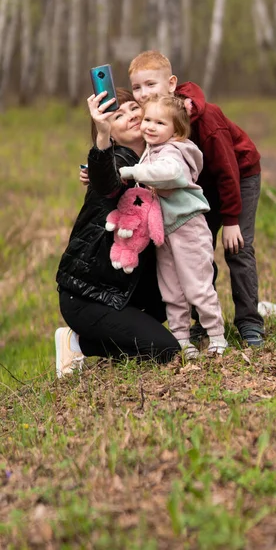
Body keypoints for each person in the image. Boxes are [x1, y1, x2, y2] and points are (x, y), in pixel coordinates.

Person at [128, 51, 265, 347]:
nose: (143, 94)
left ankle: (249, 322)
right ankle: (204, 323)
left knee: (237, 247)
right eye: (137, 87)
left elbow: (228, 170)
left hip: (237, 176)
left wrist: (230, 221)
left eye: (151, 85)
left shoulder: (204, 117)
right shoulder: (150, 117)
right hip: (195, 187)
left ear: (171, 83)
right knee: (198, 246)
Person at [55, 87, 180, 377]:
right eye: (119, 116)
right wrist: (100, 141)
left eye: (135, 108)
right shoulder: (118, 161)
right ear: (110, 133)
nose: (132, 116)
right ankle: (78, 343)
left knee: (197, 272)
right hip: (87, 295)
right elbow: (108, 181)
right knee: (166, 351)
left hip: (126, 288)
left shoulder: (157, 161)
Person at [119, 94, 228, 359]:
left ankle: (216, 336)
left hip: (188, 225)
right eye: (147, 120)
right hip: (164, 231)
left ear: (175, 131)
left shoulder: (174, 151)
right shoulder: (150, 151)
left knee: (197, 285)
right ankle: (182, 340)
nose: (150, 126)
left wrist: (132, 171)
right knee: (171, 289)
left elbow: (170, 174)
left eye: (159, 123)